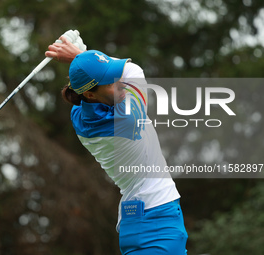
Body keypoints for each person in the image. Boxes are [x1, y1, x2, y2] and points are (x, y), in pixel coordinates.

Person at [45, 36, 188, 254]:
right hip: (159, 224)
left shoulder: (80, 115)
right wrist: (78, 56)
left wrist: (85, 62)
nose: (120, 84)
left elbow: (96, 84)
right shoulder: (128, 120)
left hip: (134, 225)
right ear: (90, 93)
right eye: (111, 82)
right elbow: (134, 71)